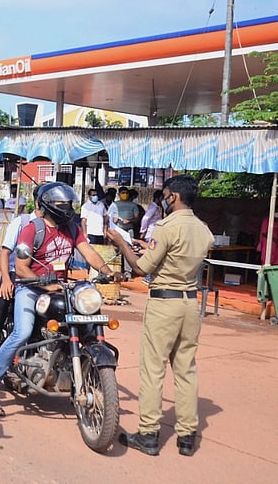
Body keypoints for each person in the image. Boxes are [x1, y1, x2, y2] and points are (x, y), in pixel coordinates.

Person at [0, 182, 120, 417]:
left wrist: (107, 270)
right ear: (47, 205)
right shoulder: (32, 229)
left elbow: (89, 252)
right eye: (60, 204)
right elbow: (21, 267)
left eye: (68, 203)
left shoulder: (73, 228)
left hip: (61, 287)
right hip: (31, 287)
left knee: (89, 322)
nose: (66, 207)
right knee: (22, 332)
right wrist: (42, 282)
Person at [106, 175, 212, 457]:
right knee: (186, 369)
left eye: (165, 195)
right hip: (191, 303)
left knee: (153, 369)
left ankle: (148, 434)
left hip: (165, 303)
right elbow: (177, 257)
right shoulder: (203, 229)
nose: (162, 199)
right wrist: (149, 248)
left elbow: (141, 269)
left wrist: (122, 242)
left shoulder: (166, 227)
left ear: (174, 196)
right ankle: (187, 436)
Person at [0, 185, 42, 357]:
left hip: (40, 274)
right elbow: (5, 252)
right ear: (38, 202)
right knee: (4, 297)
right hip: (14, 271)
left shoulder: (56, 225)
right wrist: (6, 279)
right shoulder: (22, 222)